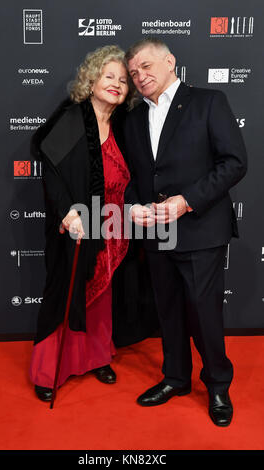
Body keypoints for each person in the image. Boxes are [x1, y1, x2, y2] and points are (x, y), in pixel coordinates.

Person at [123, 38, 247, 426]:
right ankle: (175, 377)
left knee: (204, 313)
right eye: (133, 73)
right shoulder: (132, 119)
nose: (140, 76)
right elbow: (133, 176)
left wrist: (186, 201)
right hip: (157, 233)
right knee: (169, 311)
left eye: (145, 66)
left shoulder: (208, 102)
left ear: (170, 61)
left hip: (199, 227)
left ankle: (217, 385)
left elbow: (234, 162)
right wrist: (132, 205)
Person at [29, 45, 157, 401]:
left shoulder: (122, 124)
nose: (116, 84)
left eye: (122, 79)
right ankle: (47, 370)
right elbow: (51, 168)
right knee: (67, 295)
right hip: (79, 224)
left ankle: (98, 358)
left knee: (102, 298)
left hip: (115, 227)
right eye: (108, 76)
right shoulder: (74, 117)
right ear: (92, 80)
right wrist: (67, 210)